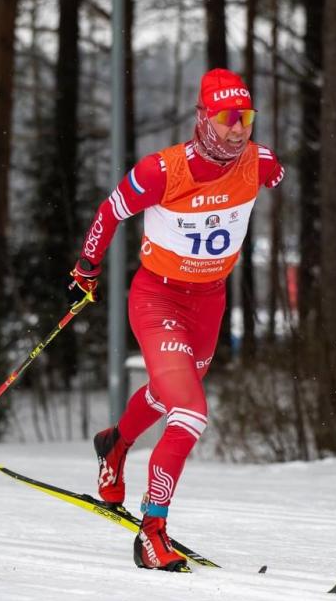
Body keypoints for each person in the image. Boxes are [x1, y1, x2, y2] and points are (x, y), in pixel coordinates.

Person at [67, 68, 284, 572]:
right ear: (204, 117)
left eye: (246, 118)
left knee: (170, 396)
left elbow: (276, 170)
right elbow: (109, 212)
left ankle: (114, 443)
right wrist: (86, 268)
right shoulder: (162, 171)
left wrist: (270, 169)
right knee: (190, 411)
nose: (239, 129)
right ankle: (152, 530)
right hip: (158, 299)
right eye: (229, 117)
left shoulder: (258, 162)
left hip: (208, 301)